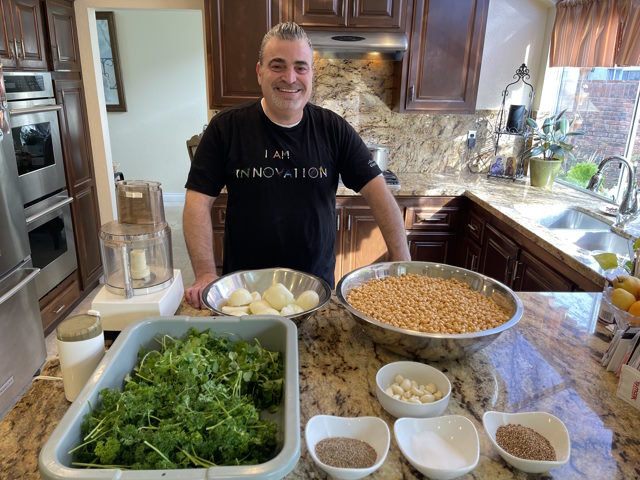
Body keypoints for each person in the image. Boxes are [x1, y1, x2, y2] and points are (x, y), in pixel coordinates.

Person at [183, 21, 410, 309]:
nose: (290, 78)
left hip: (315, 292)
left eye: (301, 67)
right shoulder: (226, 129)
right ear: (260, 72)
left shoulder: (333, 129)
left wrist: (402, 265)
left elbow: (380, 194)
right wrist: (205, 273)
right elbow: (196, 203)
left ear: (311, 74)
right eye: (277, 66)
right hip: (244, 294)